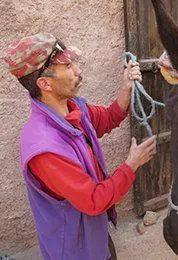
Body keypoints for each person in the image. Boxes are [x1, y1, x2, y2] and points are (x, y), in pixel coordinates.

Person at [4, 33, 157, 260]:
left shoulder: (74, 108)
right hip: (74, 248)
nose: (77, 70)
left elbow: (106, 118)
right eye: (67, 66)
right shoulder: (45, 148)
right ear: (45, 83)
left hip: (93, 232)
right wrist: (131, 165)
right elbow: (94, 201)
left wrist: (126, 89)